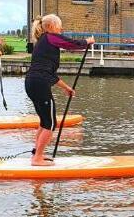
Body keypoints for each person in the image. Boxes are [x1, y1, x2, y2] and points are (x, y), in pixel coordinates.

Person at [25, 14, 94, 166]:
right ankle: (37, 159)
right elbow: (72, 44)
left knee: (44, 122)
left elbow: (49, 74)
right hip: (39, 84)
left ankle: (37, 154)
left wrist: (66, 88)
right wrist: (87, 42)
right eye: (59, 26)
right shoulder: (50, 37)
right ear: (51, 27)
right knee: (50, 123)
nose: (61, 29)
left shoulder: (43, 41)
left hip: (32, 83)